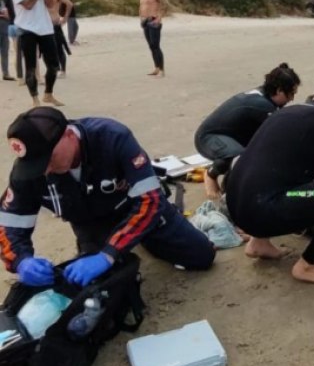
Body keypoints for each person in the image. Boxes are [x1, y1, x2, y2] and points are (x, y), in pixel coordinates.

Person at [0, 107, 216, 287]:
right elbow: (8, 223)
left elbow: (152, 200)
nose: (45, 169)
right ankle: (121, 245)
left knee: (201, 256)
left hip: (136, 209)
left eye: (50, 157)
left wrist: (109, 253)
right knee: (97, 289)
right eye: (37, 164)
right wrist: (21, 261)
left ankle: (141, 239)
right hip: (92, 225)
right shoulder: (29, 172)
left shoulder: (112, 137)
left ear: (68, 134)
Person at [226, 82, 314, 285]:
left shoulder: (287, 113)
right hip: (266, 207)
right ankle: (309, 265)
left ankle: (259, 243)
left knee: (283, 182)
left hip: (237, 205)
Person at [194, 63, 301, 199]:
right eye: (291, 93)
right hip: (209, 138)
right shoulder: (263, 106)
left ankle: (229, 180)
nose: (292, 99)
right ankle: (211, 175)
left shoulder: (265, 95)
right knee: (240, 158)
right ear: (279, 90)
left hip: (231, 135)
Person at [6, 0, 63, 106]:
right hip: (26, 28)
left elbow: (51, 4)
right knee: (30, 67)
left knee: (53, 65)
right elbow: (28, 4)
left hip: (45, 27)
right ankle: (35, 99)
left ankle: (48, 94)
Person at [138, 0, 169, 77]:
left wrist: (159, 18)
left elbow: (166, 4)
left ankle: (162, 70)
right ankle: (156, 68)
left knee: (156, 46)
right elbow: (141, 7)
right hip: (145, 21)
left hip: (153, 20)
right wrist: (141, 19)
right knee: (151, 46)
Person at [44, 0, 73, 78]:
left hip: (55, 23)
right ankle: (52, 69)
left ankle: (63, 70)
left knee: (59, 48)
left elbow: (69, 4)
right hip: (44, 25)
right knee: (47, 49)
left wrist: (65, 18)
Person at [0, 0, 14, 81]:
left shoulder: (2, 2)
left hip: (5, 29)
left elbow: (7, 12)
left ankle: (6, 73)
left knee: (5, 52)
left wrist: (7, 16)